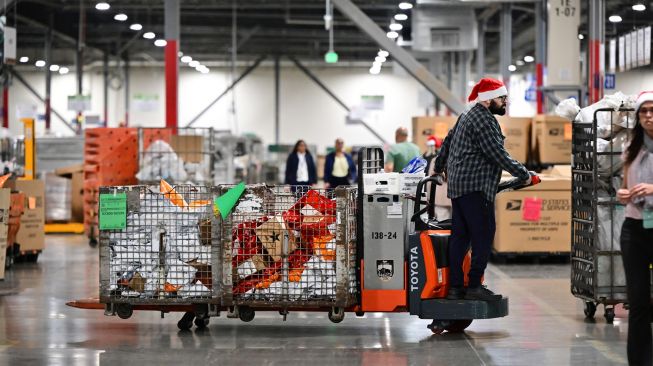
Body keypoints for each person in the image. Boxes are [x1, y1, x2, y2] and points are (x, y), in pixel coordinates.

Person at [433, 77, 531, 301]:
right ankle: (475, 286)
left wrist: (438, 166)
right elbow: (497, 154)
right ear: (488, 101)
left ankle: (456, 287)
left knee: (460, 237)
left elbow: (447, 141)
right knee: (483, 236)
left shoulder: (467, 114)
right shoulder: (484, 120)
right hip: (476, 188)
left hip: (458, 188)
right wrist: (524, 174)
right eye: (501, 98)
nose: (505, 102)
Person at [616, 91, 653, 366]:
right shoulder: (630, 148)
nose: (649, 116)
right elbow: (625, 185)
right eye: (644, 112)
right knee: (638, 302)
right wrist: (623, 194)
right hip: (634, 228)